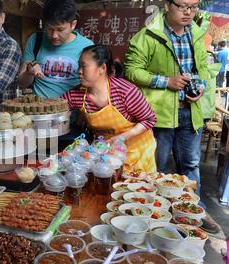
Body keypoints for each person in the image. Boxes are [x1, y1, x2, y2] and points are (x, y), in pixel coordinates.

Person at [125, 0, 211, 194]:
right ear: (167, 5)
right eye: (182, 6)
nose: (188, 12)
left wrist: (200, 87)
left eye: (193, 6)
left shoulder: (196, 34)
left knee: (190, 165)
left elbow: (202, 67)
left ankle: (192, 212)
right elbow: (131, 71)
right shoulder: (148, 35)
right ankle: (155, 212)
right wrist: (166, 82)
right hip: (159, 114)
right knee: (156, 166)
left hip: (190, 112)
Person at [62, 45, 157, 173]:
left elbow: (150, 119)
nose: (79, 71)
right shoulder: (76, 95)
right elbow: (56, 108)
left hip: (138, 151)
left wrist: (122, 137)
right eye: (79, 66)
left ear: (102, 68)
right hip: (108, 154)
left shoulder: (125, 91)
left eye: (84, 66)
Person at [19, 0, 94, 98]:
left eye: (60, 29)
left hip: (73, 109)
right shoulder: (36, 40)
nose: (54, 35)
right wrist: (29, 72)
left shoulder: (87, 47)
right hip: (39, 108)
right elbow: (22, 84)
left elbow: (92, 85)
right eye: (49, 29)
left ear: (73, 25)